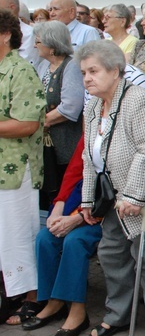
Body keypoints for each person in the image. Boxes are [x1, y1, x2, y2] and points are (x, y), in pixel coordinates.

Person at [78, 40, 145, 336]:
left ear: (115, 70)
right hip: (112, 199)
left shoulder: (139, 102)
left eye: (93, 71)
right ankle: (118, 314)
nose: (87, 79)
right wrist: (88, 200)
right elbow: (90, 157)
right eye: (84, 73)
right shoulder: (93, 106)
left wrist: (134, 194)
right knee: (110, 254)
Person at [22, 140, 100, 336]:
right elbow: (74, 172)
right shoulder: (92, 122)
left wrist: (78, 219)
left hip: (107, 214)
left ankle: (77, 310)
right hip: (80, 206)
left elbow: (116, 189)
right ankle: (54, 302)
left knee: (75, 241)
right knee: (45, 238)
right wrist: (58, 206)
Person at [0, 10, 46, 326]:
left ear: (5, 35)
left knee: (19, 232)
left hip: (16, 167)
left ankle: (33, 295)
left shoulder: (21, 70)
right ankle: (11, 292)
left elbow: (28, 123)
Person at [31, 21, 85, 205]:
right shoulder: (42, 66)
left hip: (65, 142)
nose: (33, 45)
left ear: (51, 44)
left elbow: (70, 107)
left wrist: (39, 123)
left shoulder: (71, 66)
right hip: (45, 147)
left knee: (64, 191)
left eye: (38, 42)